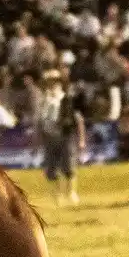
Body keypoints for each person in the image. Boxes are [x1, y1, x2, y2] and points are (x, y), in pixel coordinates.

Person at [36, 68, 85, 206]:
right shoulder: (42, 101)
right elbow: (39, 122)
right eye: (49, 82)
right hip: (49, 137)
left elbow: (79, 120)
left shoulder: (67, 99)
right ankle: (56, 195)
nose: (52, 85)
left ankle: (71, 192)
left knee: (69, 166)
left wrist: (81, 139)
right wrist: (37, 139)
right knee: (51, 169)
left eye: (55, 82)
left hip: (65, 136)